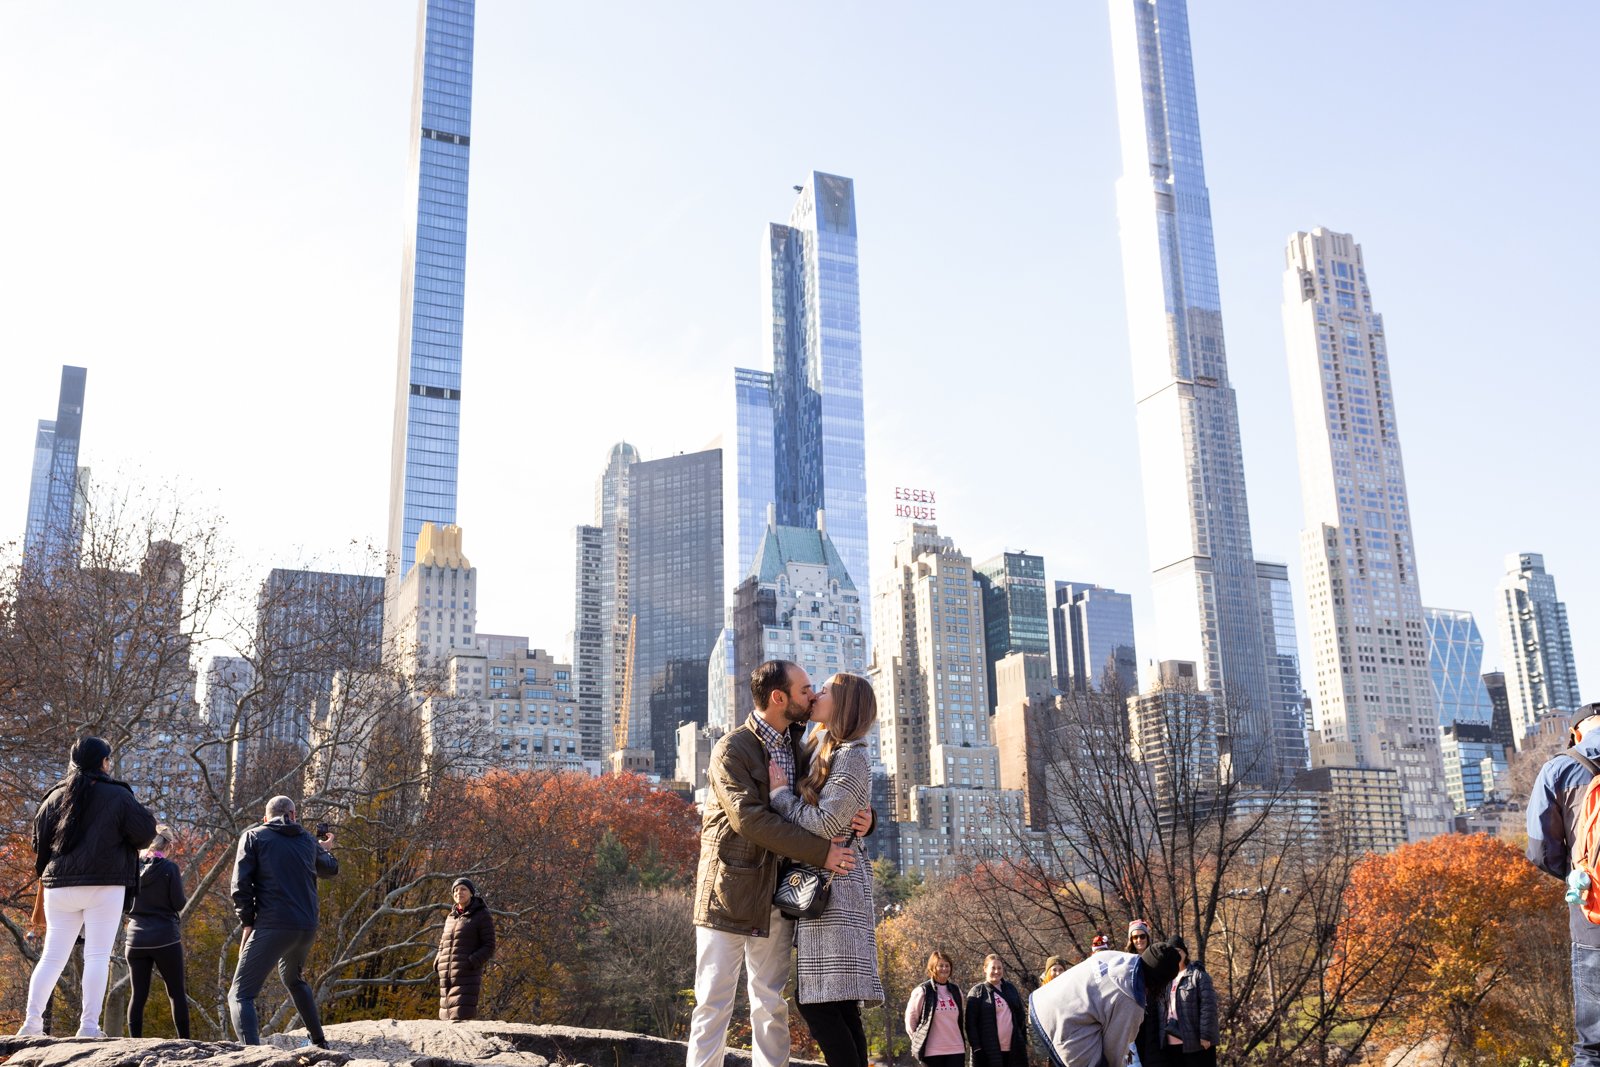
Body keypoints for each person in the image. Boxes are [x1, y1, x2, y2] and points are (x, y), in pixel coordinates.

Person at [686, 660, 869, 1067]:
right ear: (778, 697)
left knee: (770, 1005)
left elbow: (832, 799)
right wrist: (822, 853)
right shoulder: (732, 748)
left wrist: (866, 818)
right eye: (805, 690)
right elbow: (750, 819)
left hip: (782, 895)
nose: (813, 696)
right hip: (728, 895)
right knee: (713, 1004)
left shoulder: (804, 743)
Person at [767, 672, 884, 1067]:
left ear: (845, 705)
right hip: (832, 883)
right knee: (840, 1004)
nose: (816, 694)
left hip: (838, 887)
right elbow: (844, 810)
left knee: (818, 1001)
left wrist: (780, 795)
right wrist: (871, 818)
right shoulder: (823, 745)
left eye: (826, 691)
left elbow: (823, 823)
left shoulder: (850, 755)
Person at [18, 736, 158, 1038]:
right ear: (103, 762)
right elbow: (145, 833)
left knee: (52, 957)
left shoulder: (54, 796)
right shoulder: (118, 796)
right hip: (104, 885)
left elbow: (37, 843)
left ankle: (30, 1025)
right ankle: (89, 1027)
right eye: (109, 759)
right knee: (96, 956)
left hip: (58, 887)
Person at [228, 796, 338, 1047]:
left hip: (273, 924)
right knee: (293, 979)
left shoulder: (254, 837)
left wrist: (247, 922)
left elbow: (240, 885)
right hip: (306, 926)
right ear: (293, 814)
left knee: (240, 994)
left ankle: (253, 1056)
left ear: (266, 818)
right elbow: (330, 869)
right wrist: (324, 849)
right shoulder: (309, 840)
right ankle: (319, 1042)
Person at [1527, 701, 1600, 1067]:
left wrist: (1580, 878)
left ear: (1576, 733)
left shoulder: (1560, 768)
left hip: (1592, 918)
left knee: (1593, 1046)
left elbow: (1541, 851)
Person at [1029, 937, 1184, 1067]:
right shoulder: (1131, 999)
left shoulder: (1114, 956)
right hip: (1061, 1028)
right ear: (1160, 982)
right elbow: (1114, 1053)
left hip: (1038, 1005)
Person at [126, 825, 190, 1038]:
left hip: (135, 939)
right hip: (165, 938)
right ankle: (185, 1042)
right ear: (168, 845)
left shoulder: (132, 866)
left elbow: (125, 903)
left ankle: (134, 1043)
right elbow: (179, 903)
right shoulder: (169, 869)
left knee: (138, 995)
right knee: (176, 993)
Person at [437, 877, 496, 1021]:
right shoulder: (451, 917)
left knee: (461, 1019)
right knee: (445, 1020)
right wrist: (438, 961)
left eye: (463, 889)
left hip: (467, 976)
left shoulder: (482, 914)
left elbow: (489, 945)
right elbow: (443, 942)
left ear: (471, 893)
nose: (459, 892)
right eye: (455, 890)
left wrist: (471, 962)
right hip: (446, 977)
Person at [1160, 938, 1217, 1065]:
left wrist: (1206, 1036)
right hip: (1170, 1043)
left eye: (1178, 951)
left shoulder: (1198, 976)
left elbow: (1208, 1007)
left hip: (1194, 1043)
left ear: (1185, 953)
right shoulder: (1166, 979)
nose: (1175, 955)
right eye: (1171, 952)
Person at [904, 951, 966, 1067]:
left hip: (956, 1050)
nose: (944, 968)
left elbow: (959, 1019)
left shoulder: (956, 991)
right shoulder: (922, 991)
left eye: (947, 965)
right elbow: (911, 1020)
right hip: (931, 1052)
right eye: (940, 965)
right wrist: (917, 1042)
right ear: (933, 967)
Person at [966, 954, 1027, 1067]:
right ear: (985, 969)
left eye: (999, 968)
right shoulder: (977, 992)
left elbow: (1020, 1016)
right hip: (989, 1050)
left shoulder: (1010, 988)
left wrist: (1022, 1039)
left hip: (1014, 1048)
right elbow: (971, 1024)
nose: (996, 971)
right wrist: (977, 1048)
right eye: (993, 968)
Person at [1125, 920, 1161, 1066]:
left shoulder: (1157, 958)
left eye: (1142, 936)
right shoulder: (1126, 960)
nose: (1139, 940)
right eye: (1135, 937)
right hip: (1135, 1015)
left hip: (1156, 1013)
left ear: (1147, 937)